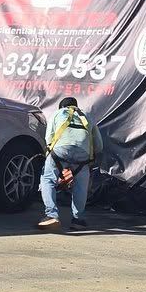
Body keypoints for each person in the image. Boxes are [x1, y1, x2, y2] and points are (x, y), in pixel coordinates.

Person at [39, 93, 102, 229]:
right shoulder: (87, 116)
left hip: (60, 150)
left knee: (48, 179)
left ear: (62, 106)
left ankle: (51, 216)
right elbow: (99, 145)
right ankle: (78, 220)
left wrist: (51, 156)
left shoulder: (58, 113)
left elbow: (49, 137)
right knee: (81, 187)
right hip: (83, 156)